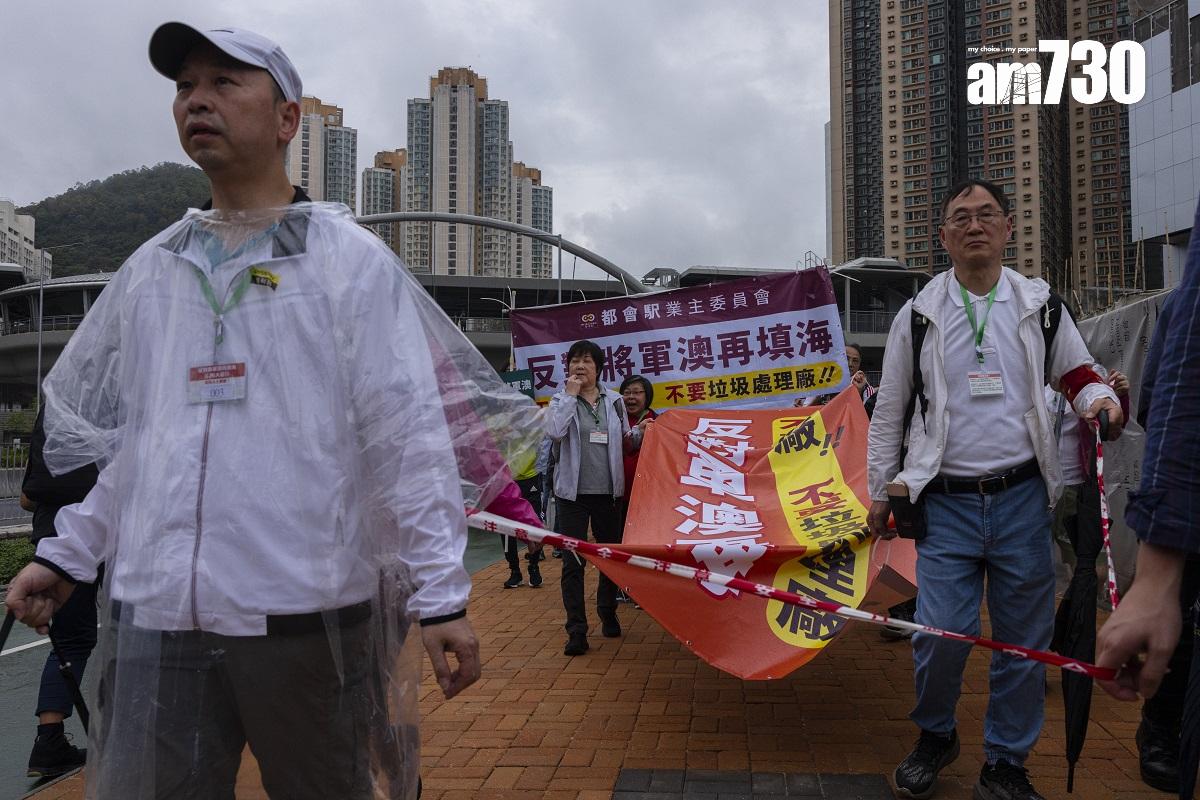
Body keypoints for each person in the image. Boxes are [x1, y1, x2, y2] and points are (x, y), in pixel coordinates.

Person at [2, 23, 534, 799]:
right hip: (161, 621)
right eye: (186, 86)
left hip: (307, 619)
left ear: (288, 120)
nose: (198, 101)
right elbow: (148, 450)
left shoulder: (345, 263)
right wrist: (67, 555)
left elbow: (406, 439)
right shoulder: (156, 269)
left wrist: (441, 595)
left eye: (225, 82)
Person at [867, 178, 1124, 800]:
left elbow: (1079, 374)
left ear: (1009, 228)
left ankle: (1005, 762)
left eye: (987, 215)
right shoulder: (918, 315)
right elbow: (891, 410)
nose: (975, 225)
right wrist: (880, 491)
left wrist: (1103, 403)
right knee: (939, 635)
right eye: (961, 218)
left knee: (1023, 645)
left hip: (1021, 500)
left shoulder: (1041, 306)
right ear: (944, 237)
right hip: (946, 503)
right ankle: (936, 733)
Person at [1096, 224, 1200, 792]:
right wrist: (1158, 572)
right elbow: (1169, 401)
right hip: (1187, 515)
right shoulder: (1186, 319)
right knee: (1177, 620)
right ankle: (1161, 727)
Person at [547, 341, 645, 656]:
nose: (579, 366)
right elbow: (555, 433)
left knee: (609, 558)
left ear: (598, 368)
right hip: (572, 496)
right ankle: (576, 630)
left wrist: (641, 432)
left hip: (608, 493)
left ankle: (607, 611)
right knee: (572, 564)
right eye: (574, 361)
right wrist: (571, 396)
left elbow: (624, 442)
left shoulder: (615, 401)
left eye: (586, 361)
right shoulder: (560, 400)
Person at [20, 408, 100, 779]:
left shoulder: (52, 412)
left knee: (68, 639)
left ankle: (49, 740)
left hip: (52, 537)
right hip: (110, 534)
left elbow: (25, 498)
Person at [616, 374, 657, 604]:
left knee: (645, 546)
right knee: (622, 544)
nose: (631, 397)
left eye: (637, 392)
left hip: (647, 499)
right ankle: (624, 587)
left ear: (647, 396)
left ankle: (646, 590)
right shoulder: (614, 420)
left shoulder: (657, 421)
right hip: (619, 496)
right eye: (627, 392)